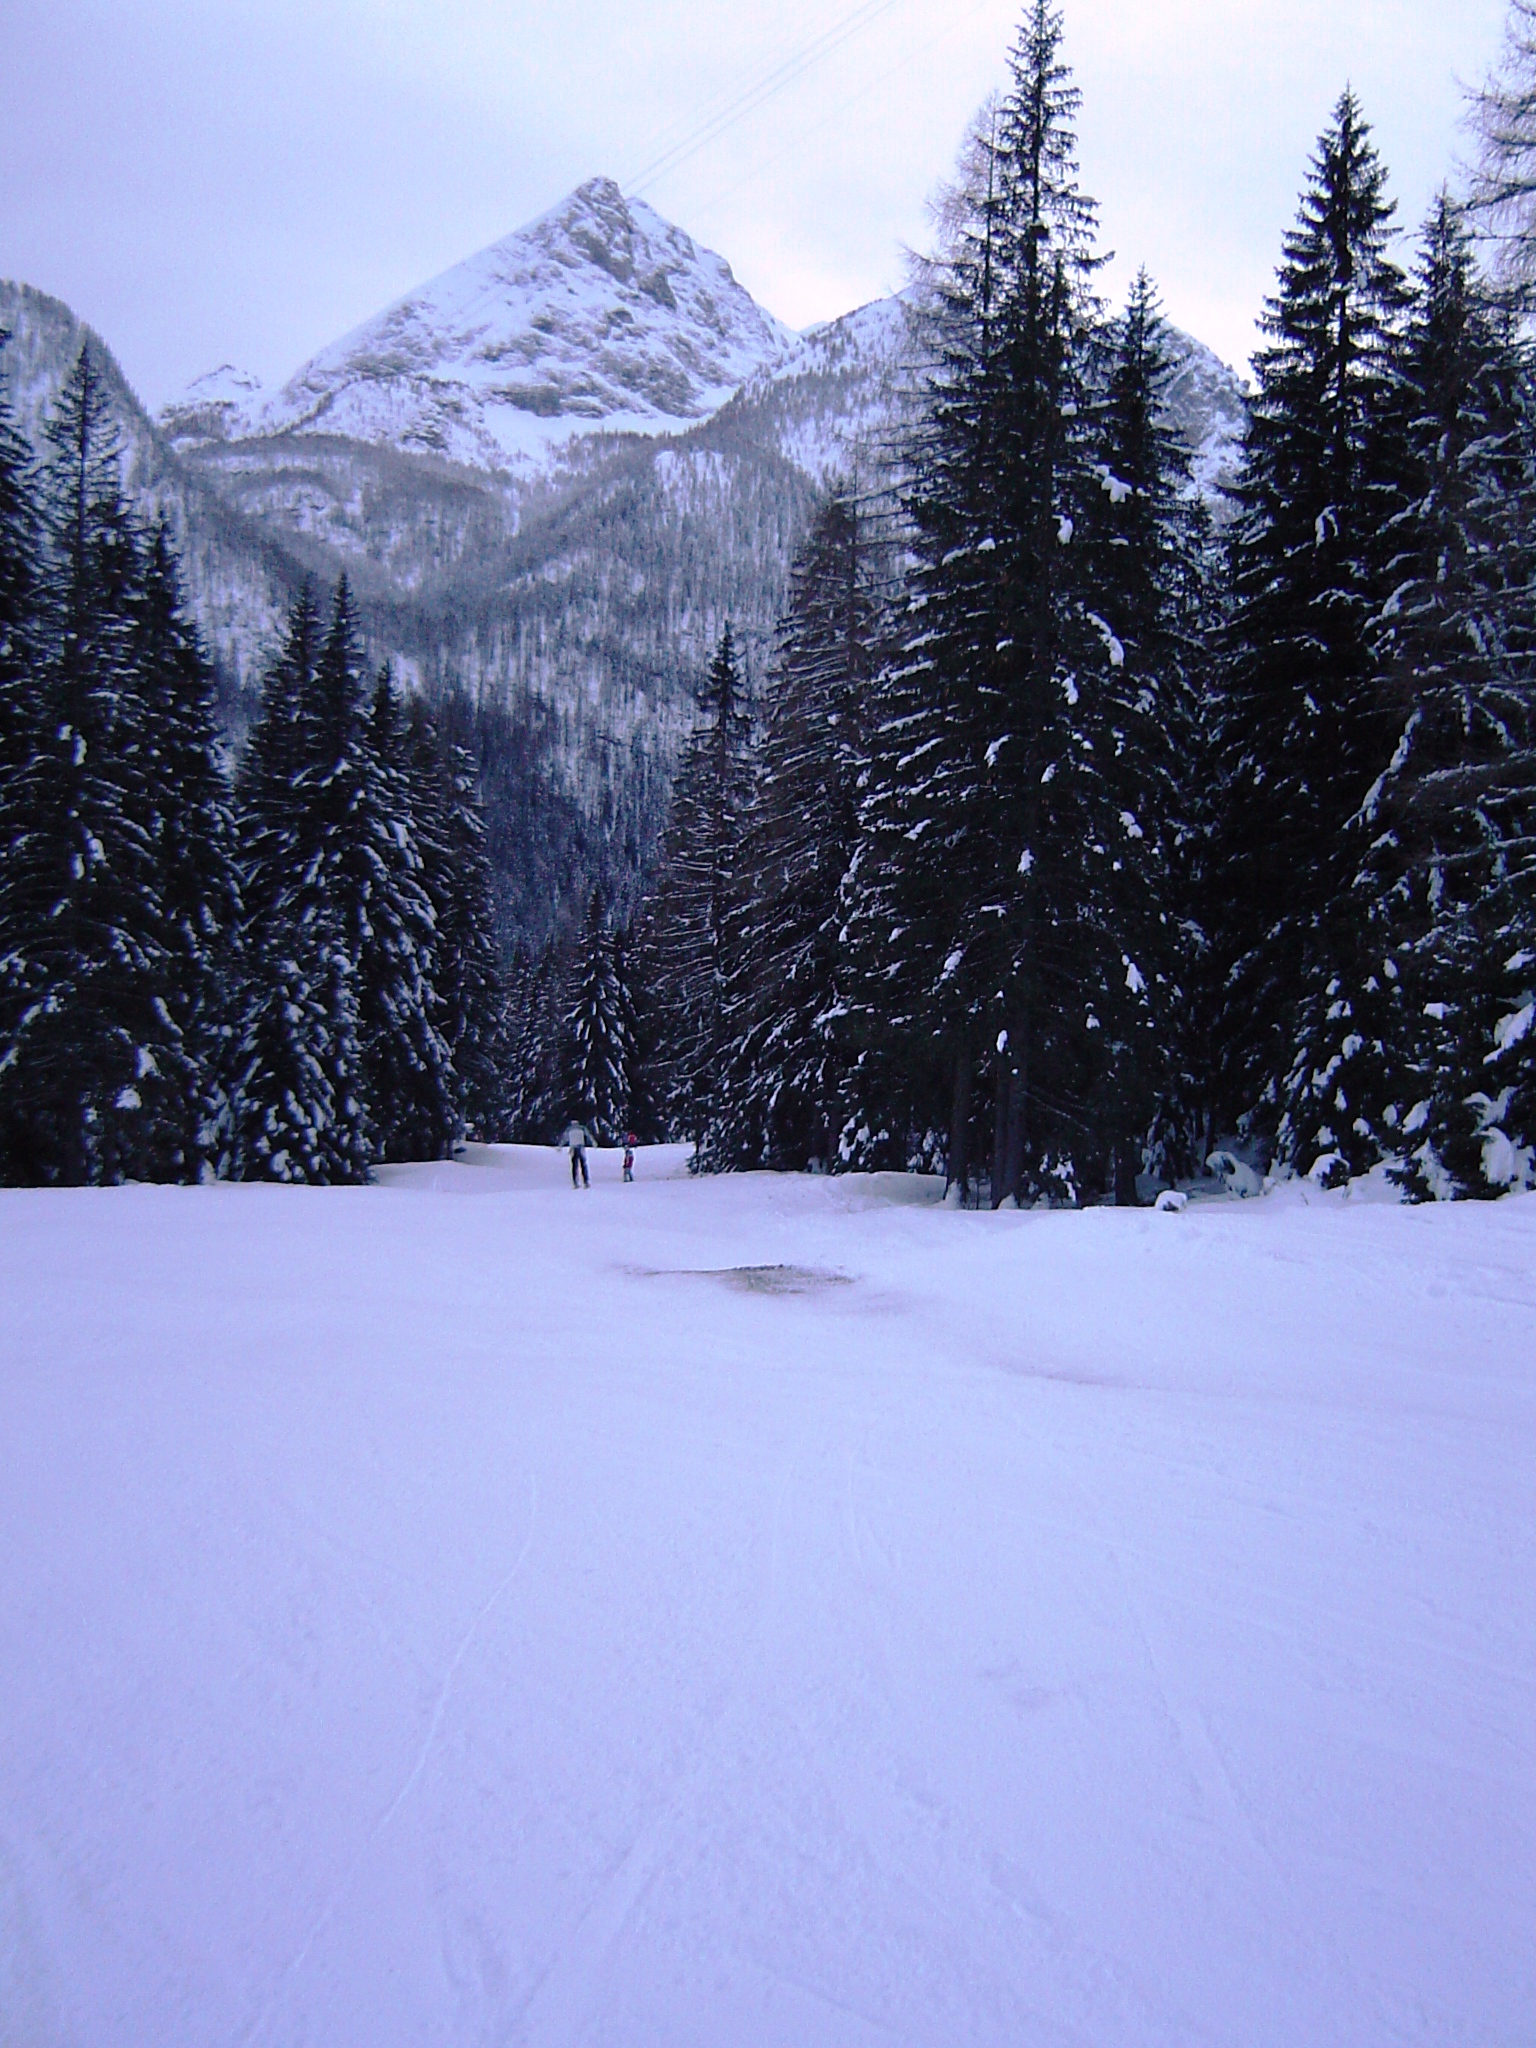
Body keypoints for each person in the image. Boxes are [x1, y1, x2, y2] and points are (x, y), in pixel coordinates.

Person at [562, 1119, 592, 1188]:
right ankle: (586, 1181)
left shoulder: (569, 1129)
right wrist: (593, 1142)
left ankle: (575, 1182)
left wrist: (560, 1146)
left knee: (574, 1166)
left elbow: (565, 1138)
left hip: (573, 1148)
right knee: (583, 1165)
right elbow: (588, 1135)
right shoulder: (582, 1128)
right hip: (581, 1147)